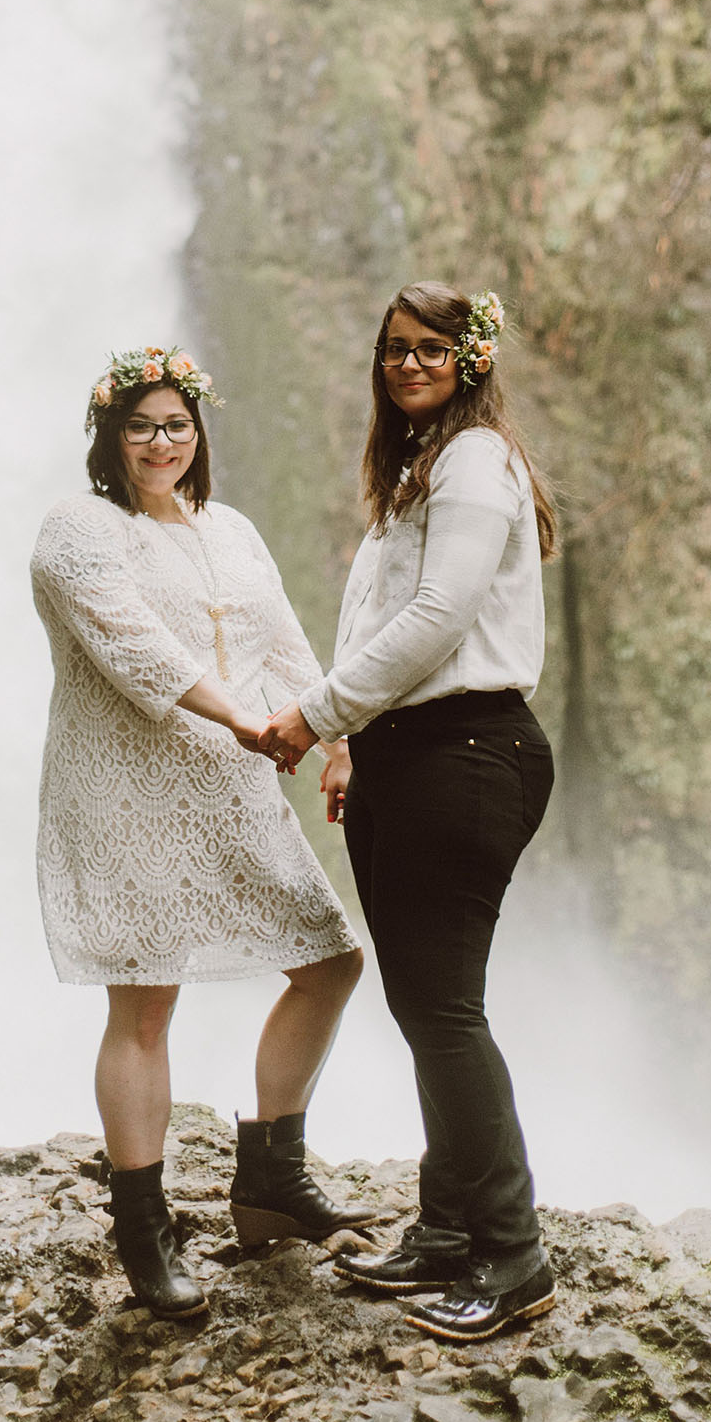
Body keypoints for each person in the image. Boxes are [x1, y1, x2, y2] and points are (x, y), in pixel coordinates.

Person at [30, 345, 367, 1318]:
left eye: (176, 424)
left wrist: (331, 732)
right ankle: (144, 1231)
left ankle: (267, 1182)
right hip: (128, 791)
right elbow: (133, 644)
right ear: (109, 435)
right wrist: (246, 721)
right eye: (140, 426)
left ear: (198, 432)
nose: (160, 442)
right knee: (143, 1006)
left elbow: (282, 641)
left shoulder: (232, 529)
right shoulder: (78, 527)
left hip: (233, 788)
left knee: (329, 961)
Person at [261, 283, 558, 1344]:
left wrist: (313, 715)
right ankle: (444, 1228)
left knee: (441, 1013)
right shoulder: (416, 466)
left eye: (431, 348)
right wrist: (350, 744)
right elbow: (381, 612)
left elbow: (440, 617)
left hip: (466, 751)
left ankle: (513, 1257)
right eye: (393, 348)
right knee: (426, 1007)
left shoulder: (474, 457)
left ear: (472, 360)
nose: (407, 363)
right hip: (410, 753)